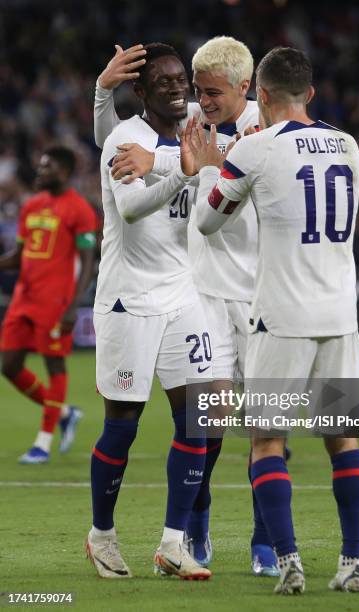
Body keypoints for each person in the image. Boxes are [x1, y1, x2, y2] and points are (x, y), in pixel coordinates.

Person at [93, 37, 280, 577]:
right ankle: (138, 531)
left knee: (233, 423)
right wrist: (103, 91)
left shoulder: (234, 125)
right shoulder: (158, 126)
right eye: (177, 85)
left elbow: (233, 155)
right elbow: (123, 176)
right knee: (151, 426)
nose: (190, 96)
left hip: (220, 295)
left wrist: (167, 160)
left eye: (195, 87)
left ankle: (217, 540)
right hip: (161, 296)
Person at [189, 47, 359, 595]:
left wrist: (210, 167)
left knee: (266, 440)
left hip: (281, 319)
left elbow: (208, 223)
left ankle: (287, 560)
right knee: (344, 440)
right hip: (341, 316)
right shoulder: (349, 145)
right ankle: (352, 564)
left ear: (260, 95)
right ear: (310, 93)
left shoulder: (255, 150)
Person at [86, 43, 211, 581]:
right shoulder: (124, 137)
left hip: (181, 293)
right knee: (123, 425)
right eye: (163, 81)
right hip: (128, 299)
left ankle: (173, 543)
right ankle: (102, 536)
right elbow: (133, 208)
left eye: (180, 77)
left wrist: (187, 164)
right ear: (141, 92)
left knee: (197, 419)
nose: (176, 86)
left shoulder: (196, 132)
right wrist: (183, 173)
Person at [0, 146, 96, 463]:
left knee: (54, 366)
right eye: (40, 166)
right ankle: (66, 413)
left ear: (65, 172)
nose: (40, 171)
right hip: (23, 299)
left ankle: (42, 442)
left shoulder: (79, 209)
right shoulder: (32, 207)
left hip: (56, 302)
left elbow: (87, 259)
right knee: (9, 366)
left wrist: (74, 304)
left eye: (47, 167)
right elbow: (19, 255)